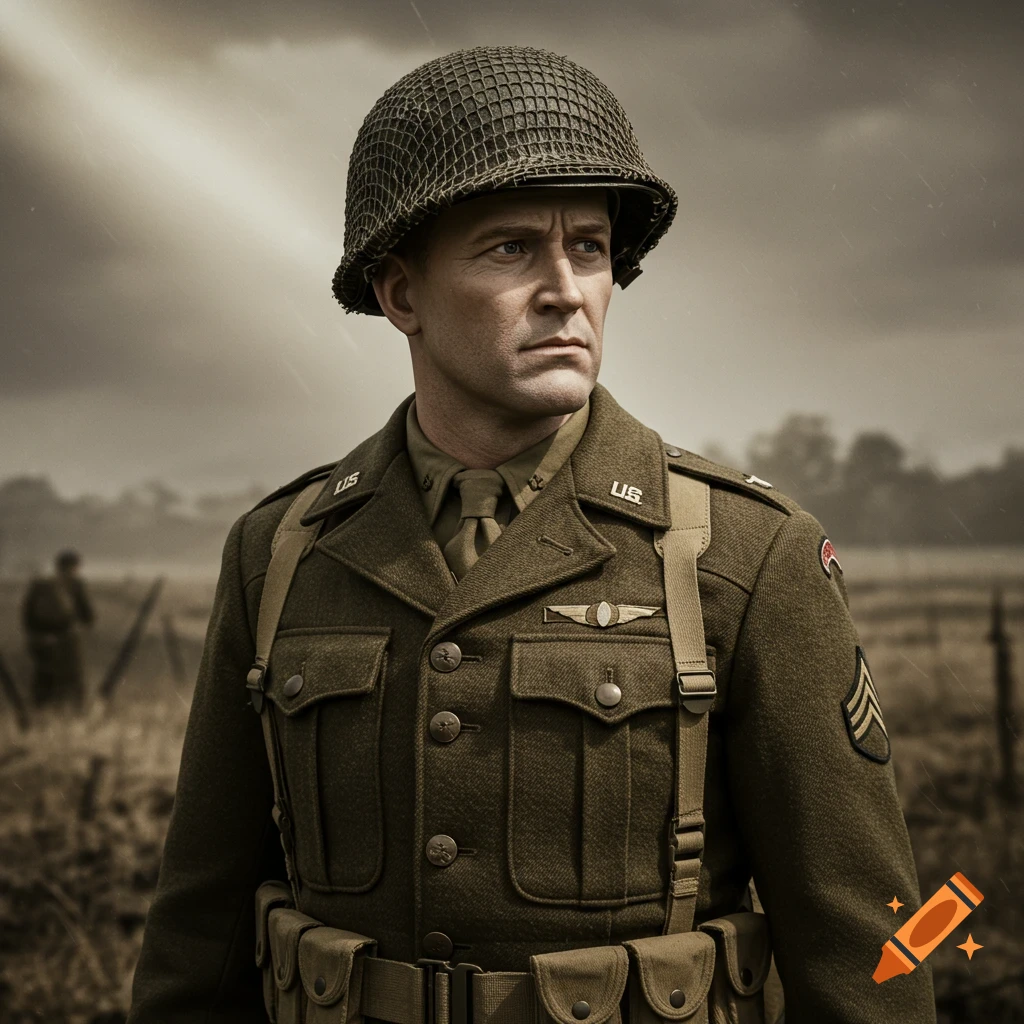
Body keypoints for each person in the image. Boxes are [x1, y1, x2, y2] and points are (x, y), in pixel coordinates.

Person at [128, 47, 936, 1023]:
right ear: (402, 295)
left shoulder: (741, 554)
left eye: (588, 248)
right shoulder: (282, 550)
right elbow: (198, 928)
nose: (566, 290)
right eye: (511, 248)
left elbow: (872, 946)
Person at [21, 549, 94, 711]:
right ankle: (72, 710)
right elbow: (88, 616)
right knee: (72, 677)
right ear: (75, 567)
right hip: (66, 638)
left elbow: (27, 614)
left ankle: (40, 709)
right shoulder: (75, 585)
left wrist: (36, 634)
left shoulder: (40, 585)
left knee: (45, 675)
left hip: (43, 638)